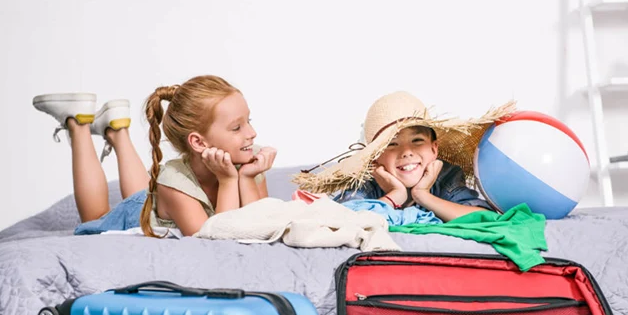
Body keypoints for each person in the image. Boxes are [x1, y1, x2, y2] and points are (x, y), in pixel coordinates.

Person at [32, 75, 276, 237]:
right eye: (237, 128)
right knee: (94, 219)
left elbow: (257, 226)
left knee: (147, 190)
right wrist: (228, 180)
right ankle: (78, 123)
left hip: (154, 199)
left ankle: (117, 130)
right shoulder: (175, 186)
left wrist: (246, 179)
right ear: (199, 142)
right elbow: (218, 239)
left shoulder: (248, 164)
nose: (252, 134)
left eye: (249, 122)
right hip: (134, 212)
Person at [294, 91, 515, 222]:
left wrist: (423, 196)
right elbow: (342, 221)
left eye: (417, 141)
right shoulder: (366, 184)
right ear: (375, 159)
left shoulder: (446, 176)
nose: (407, 152)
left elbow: (483, 217)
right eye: (392, 144)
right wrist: (395, 196)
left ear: (434, 150)